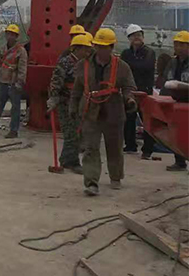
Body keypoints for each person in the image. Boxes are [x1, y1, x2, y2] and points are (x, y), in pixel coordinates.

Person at [70, 28, 137, 196]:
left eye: (104, 47)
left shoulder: (122, 67)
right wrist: (73, 107)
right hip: (90, 112)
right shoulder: (83, 65)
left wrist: (129, 99)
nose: (100, 50)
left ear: (111, 47)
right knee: (90, 148)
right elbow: (77, 89)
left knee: (114, 147)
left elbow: (129, 86)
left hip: (113, 112)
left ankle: (115, 176)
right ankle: (91, 182)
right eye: (98, 46)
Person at [47, 33, 94, 174]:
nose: (87, 52)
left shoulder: (85, 64)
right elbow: (56, 82)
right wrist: (53, 98)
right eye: (85, 49)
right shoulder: (65, 62)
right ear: (77, 48)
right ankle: (71, 162)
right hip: (65, 103)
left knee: (77, 132)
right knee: (71, 133)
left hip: (79, 102)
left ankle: (66, 159)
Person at [0, 24, 27, 138]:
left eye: (12, 35)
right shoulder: (2, 49)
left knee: (15, 108)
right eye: (8, 34)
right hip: (2, 80)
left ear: (16, 36)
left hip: (13, 83)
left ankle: (13, 130)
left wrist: (19, 83)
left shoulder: (21, 51)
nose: (10, 36)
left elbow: (22, 69)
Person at [119, 24, 156, 158]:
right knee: (129, 119)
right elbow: (121, 69)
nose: (137, 38)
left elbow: (145, 66)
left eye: (139, 35)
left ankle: (147, 150)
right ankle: (130, 145)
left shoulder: (149, 53)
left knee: (147, 121)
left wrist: (130, 66)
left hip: (145, 92)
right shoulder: (126, 53)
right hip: (130, 91)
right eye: (134, 36)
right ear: (129, 38)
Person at [160, 31, 189, 171]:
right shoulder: (173, 62)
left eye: (181, 45)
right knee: (176, 131)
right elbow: (167, 78)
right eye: (176, 44)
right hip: (177, 100)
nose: (178, 47)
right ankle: (179, 161)